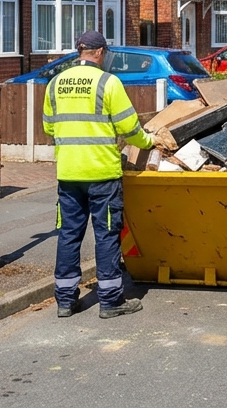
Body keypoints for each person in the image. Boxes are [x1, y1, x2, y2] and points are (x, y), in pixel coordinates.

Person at [42, 30, 155, 320]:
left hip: (69, 174)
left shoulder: (55, 84)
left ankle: (65, 301)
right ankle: (110, 300)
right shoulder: (108, 82)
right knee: (106, 235)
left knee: (69, 234)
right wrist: (149, 142)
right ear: (101, 52)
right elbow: (129, 128)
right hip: (102, 174)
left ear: (79, 51)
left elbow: (49, 128)